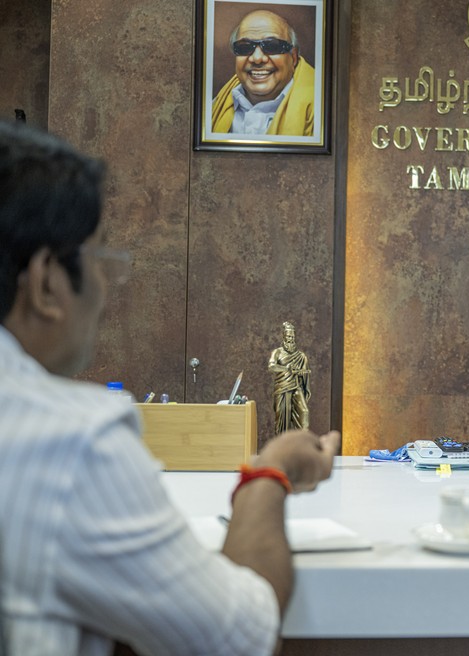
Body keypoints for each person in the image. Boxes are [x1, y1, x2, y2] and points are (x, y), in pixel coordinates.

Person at [0, 121, 340, 655]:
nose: (106, 287)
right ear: (46, 283)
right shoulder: (74, 443)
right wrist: (271, 470)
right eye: (98, 261)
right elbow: (232, 636)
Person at [211, 9, 316, 136]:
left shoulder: (322, 109)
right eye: (245, 47)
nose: (257, 58)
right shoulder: (214, 107)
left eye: (272, 46)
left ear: (293, 58)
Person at [269, 321, 311, 434]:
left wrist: (303, 373)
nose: (291, 338)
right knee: (281, 418)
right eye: (288, 336)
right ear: (284, 336)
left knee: (304, 412)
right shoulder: (277, 352)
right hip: (282, 388)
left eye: (292, 336)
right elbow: (271, 367)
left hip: (296, 386)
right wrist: (286, 368)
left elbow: (305, 373)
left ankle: (302, 445)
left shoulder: (301, 356)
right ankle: (282, 447)